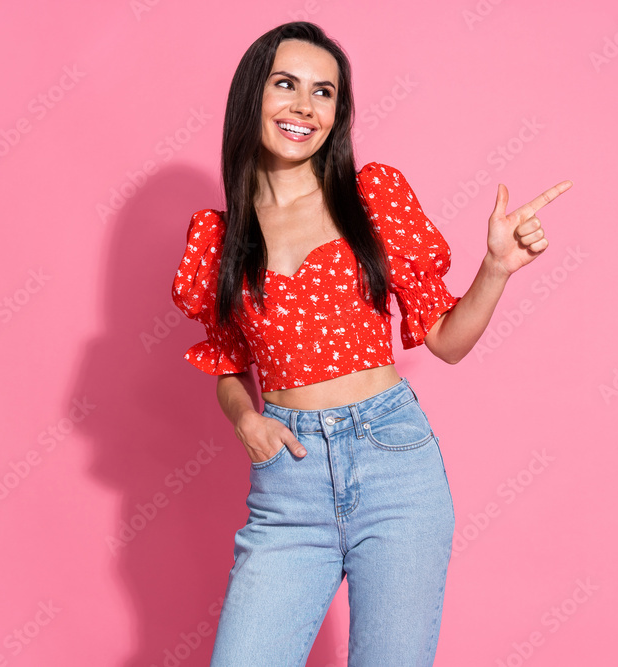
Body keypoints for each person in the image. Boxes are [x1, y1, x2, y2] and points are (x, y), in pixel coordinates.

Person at [171, 21, 571, 667]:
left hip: (394, 465)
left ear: (338, 112)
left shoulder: (371, 196)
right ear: (252, 95)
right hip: (289, 482)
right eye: (286, 84)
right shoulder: (218, 236)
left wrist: (496, 268)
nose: (305, 106)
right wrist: (246, 418)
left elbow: (446, 340)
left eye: (323, 92)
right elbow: (227, 361)